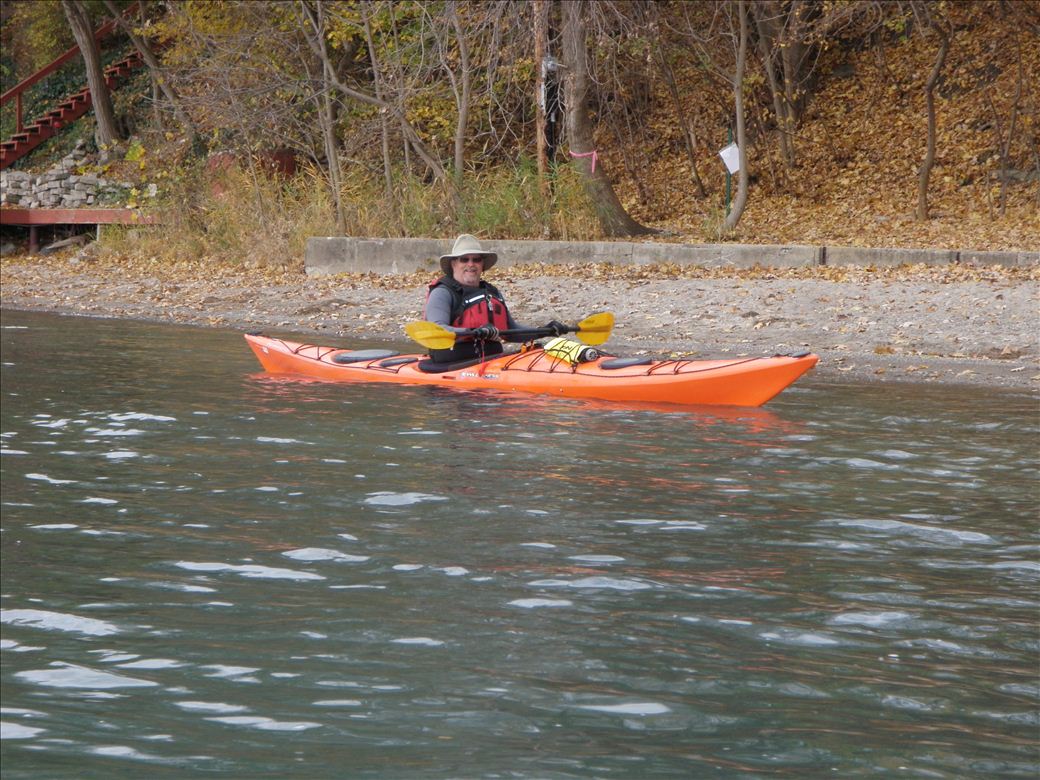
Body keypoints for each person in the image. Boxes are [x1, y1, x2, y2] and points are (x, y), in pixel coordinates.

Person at [425, 234, 565, 363]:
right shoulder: (442, 293)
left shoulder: (492, 292)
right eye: (464, 259)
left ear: (482, 265)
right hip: (452, 364)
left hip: (492, 362)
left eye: (476, 260)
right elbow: (437, 330)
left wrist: (544, 331)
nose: (471, 264)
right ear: (454, 264)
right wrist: (475, 332)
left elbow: (511, 330)